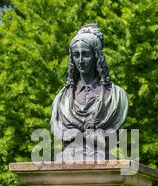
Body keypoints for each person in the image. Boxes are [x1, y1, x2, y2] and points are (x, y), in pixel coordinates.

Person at [50, 23, 128, 161]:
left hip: (102, 156)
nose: (80, 60)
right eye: (76, 55)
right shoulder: (61, 99)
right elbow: (58, 128)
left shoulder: (116, 96)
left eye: (85, 54)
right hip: (68, 156)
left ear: (96, 56)